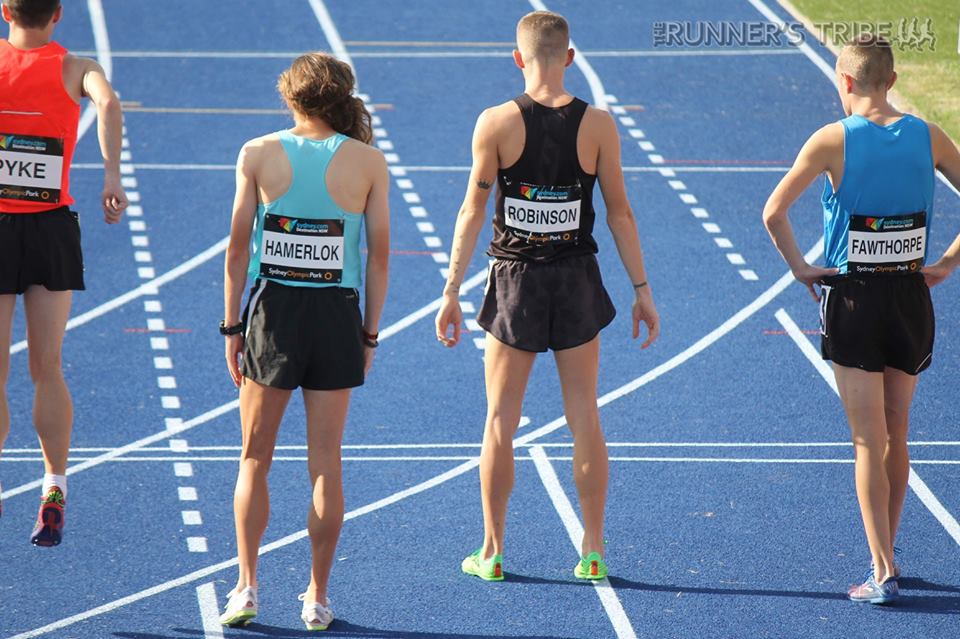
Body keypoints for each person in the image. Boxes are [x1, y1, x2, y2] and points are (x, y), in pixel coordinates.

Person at [435, 10, 659, 582]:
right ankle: (592, 550)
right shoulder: (600, 126)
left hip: (515, 281)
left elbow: (471, 210)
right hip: (578, 278)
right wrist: (641, 290)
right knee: (584, 415)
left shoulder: (495, 123)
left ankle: (492, 552)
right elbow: (620, 213)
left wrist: (451, 290)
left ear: (518, 58)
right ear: (570, 58)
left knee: (499, 422)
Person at [762, 34, 960, 604]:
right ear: (892, 80)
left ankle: (882, 571)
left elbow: (774, 212)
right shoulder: (928, 135)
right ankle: (889, 554)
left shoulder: (831, 140)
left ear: (843, 82)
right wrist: (945, 263)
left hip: (852, 301)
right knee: (897, 432)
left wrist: (801, 268)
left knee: (867, 440)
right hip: (910, 298)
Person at [220, 52, 389, 630]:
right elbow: (381, 257)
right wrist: (369, 333)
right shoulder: (368, 161)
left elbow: (237, 251)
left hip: (274, 314)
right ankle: (316, 596)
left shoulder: (258, 153)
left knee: (254, 458)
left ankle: (245, 587)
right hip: (338, 316)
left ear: (289, 97)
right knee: (326, 464)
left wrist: (232, 328)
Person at [0, 0, 126, 544]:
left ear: (6, 11)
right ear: (58, 14)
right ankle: (54, 483)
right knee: (47, 365)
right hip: (51, 225)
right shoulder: (77, 67)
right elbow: (110, 102)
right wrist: (111, 176)